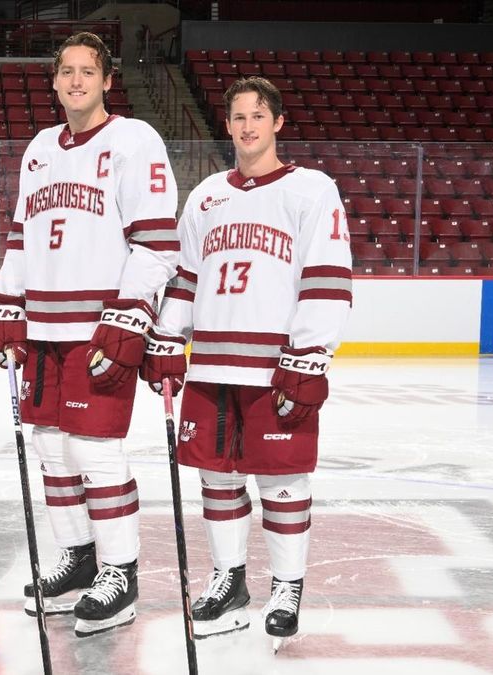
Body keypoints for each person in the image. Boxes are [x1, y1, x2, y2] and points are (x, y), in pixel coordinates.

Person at [142, 76, 352, 650]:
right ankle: (229, 581)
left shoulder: (311, 191)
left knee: (282, 479)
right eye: (237, 116)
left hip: (274, 366)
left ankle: (287, 586)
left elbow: (328, 279)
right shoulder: (208, 194)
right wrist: (166, 338)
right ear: (228, 124)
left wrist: (309, 356)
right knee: (217, 476)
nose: (247, 126)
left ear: (278, 123)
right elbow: (186, 276)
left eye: (258, 115)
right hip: (211, 364)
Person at [0, 31, 179, 637]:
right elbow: (20, 240)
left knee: (96, 453)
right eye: (65, 71)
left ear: (108, 79)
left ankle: (120, 572)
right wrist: (5, 303)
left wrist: (129, 317)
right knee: (53, 453)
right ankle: (80, 559)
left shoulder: (135, 140)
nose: (75, 81)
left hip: (98, 329)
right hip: (42, 331)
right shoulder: (41, 148)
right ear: (55, 80)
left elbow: (156, 244)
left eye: (86, 72)